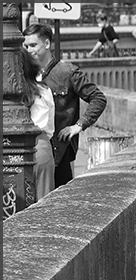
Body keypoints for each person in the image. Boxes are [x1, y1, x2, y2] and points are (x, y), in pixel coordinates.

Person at [23, 23, 107, 188]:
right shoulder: (24, 73)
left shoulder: (67, 72)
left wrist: (78, 126)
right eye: (26, 46)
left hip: (60, 150)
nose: (29, 50)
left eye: (33, 45)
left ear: (47, 44)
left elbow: (98, 98)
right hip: (31, 150)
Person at [20, 47, 55, 200]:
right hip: (41, 146)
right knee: (43, 203)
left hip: (13, 147)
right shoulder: (43, 90)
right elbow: (50, 128)